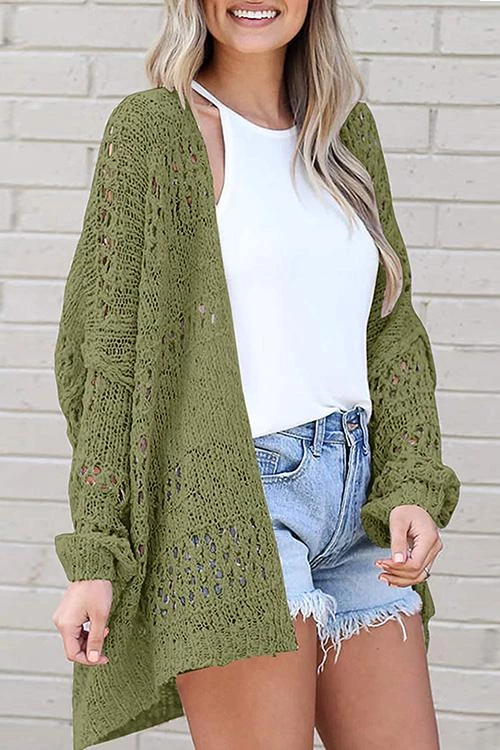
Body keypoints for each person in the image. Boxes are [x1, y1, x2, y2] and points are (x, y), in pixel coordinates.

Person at [51, 1, 461, 749]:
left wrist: (411, 482)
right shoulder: (156, 133)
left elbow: (390, 329)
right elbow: (108, 362)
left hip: (358, 502)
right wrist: (98, 554)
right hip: (231, 505)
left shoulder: (345, 134)